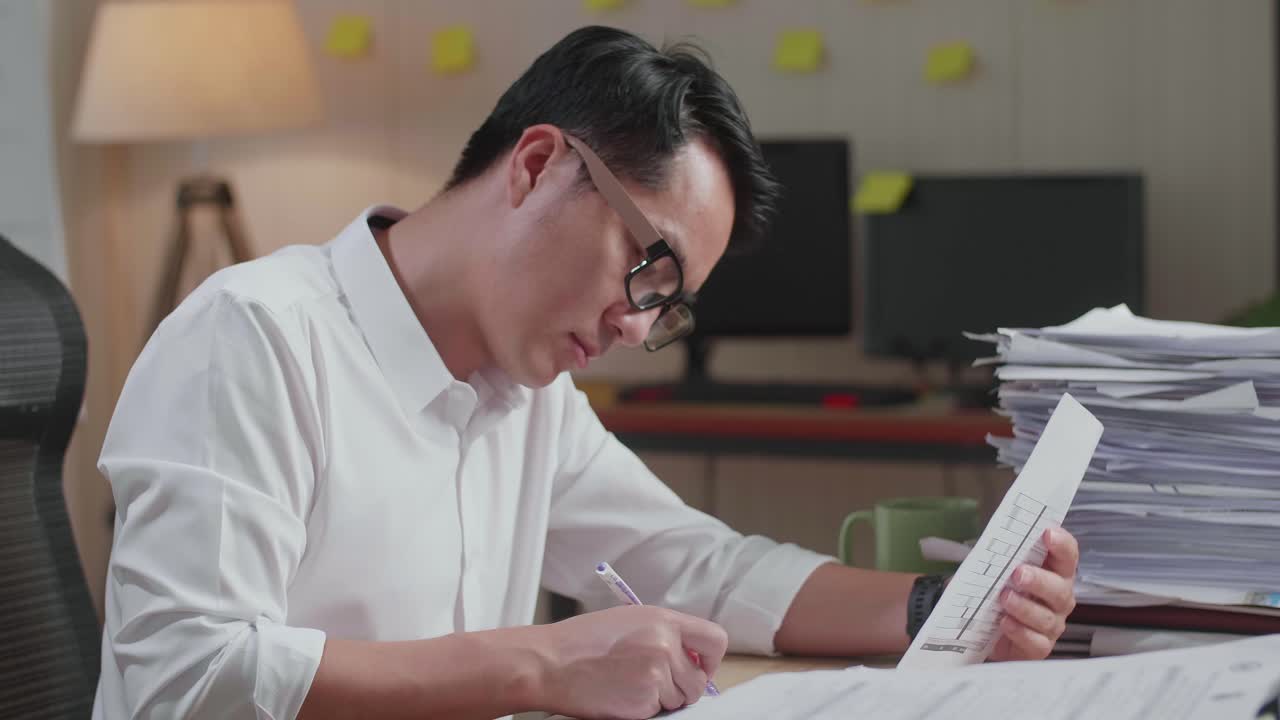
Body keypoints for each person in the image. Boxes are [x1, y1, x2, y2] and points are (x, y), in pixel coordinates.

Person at [93, 26, 1080, 720]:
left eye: (668, 303)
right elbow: (189, 673)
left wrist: (943, 611)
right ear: (532, 167)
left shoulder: (525, 395)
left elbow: (699, 566)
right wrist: (539, 663)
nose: (633, 323)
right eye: (646, 266)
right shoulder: (255, 337)